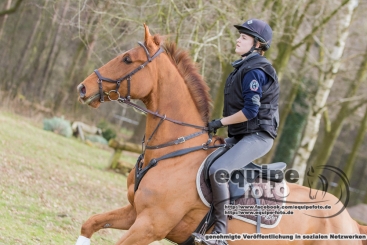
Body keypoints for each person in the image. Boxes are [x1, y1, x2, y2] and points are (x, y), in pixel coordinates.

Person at [192, 19, 279, 245]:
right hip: (242, 135)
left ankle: (220, 234)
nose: (238, 40)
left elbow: (250, 111)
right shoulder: (242, 67)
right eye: (239, 36)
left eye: (244, 37)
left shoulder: (255, 71)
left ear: (258, 44)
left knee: (220, 169)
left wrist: (219, 122)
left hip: (259, 137)